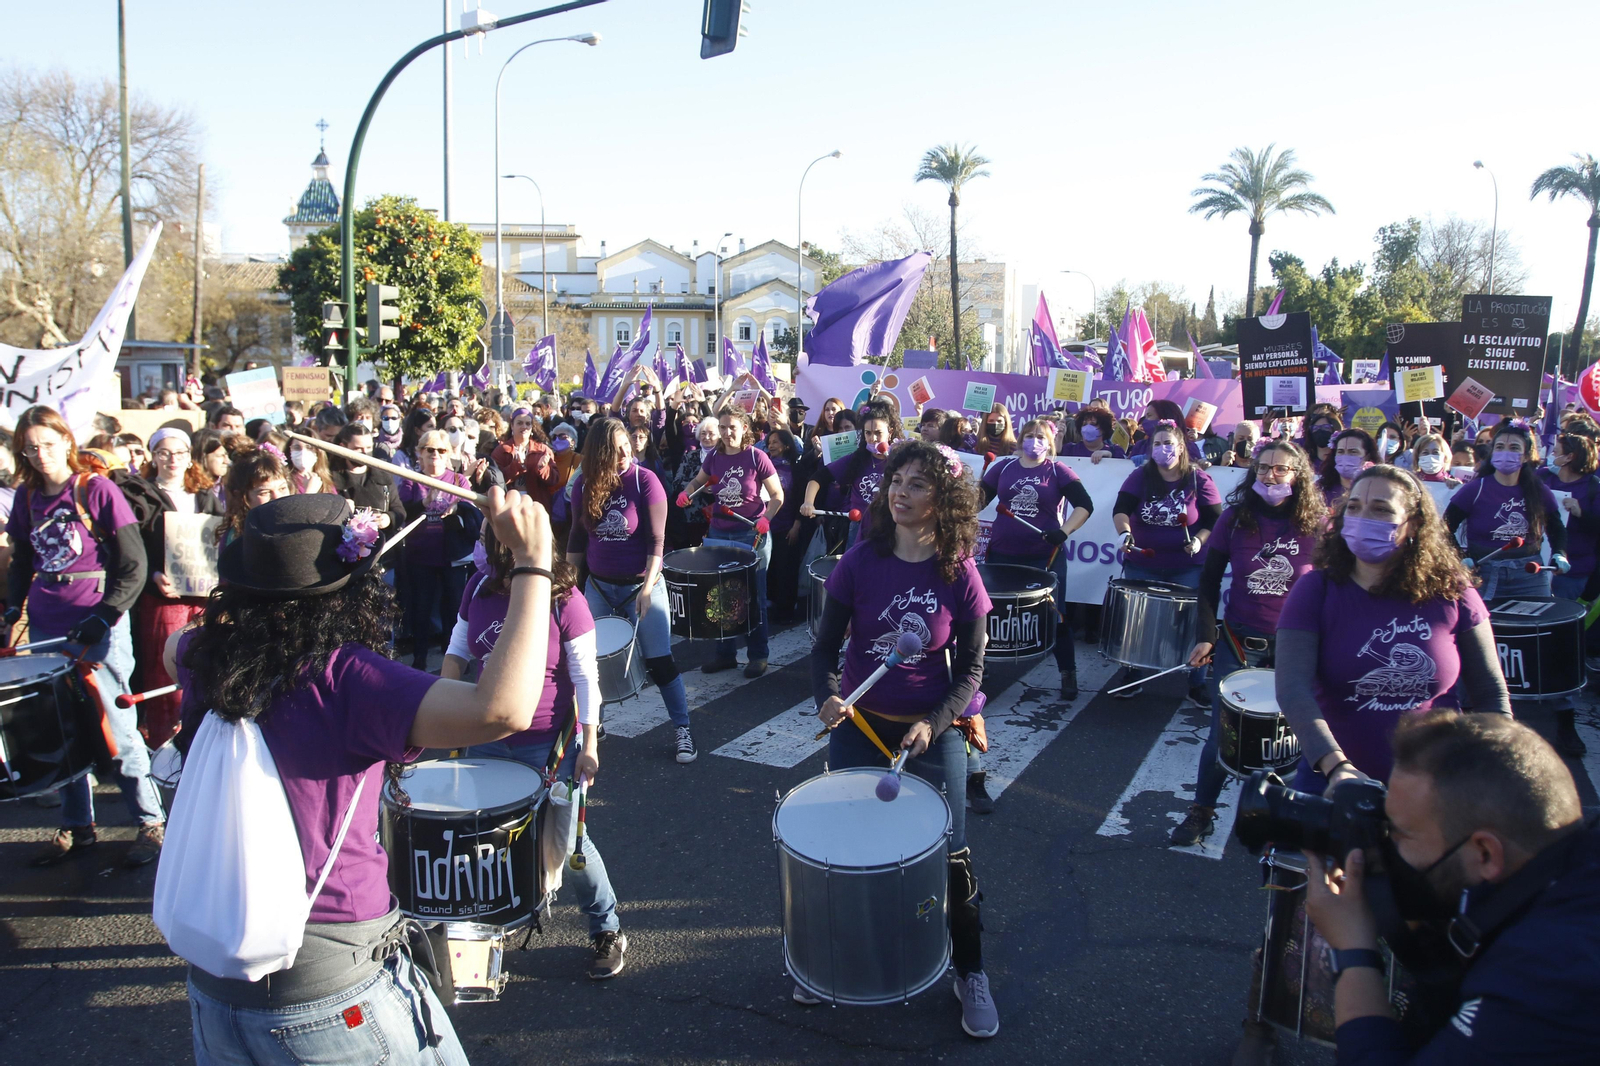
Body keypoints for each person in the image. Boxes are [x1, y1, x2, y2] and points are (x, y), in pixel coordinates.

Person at [174, 489, 554, 1066]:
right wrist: (534, 564)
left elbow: (178, 643)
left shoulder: (204, 659)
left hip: (214, 993)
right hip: (329, 998)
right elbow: (501, 710)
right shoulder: (343, 677)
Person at [808, 441, 999, 1038]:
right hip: (861, 729)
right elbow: (823, 647)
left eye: (918, 484)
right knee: (844, 851)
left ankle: (970, 971)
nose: (901, 492)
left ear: (944, 500)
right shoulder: (861, 559)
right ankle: (832, 962)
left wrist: (935, 722)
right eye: (897, 481)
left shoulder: (959, 568)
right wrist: (828, 696)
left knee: (953, 856)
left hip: (930, 731)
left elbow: (971, 667)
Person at [1303, 710, 1600, 1064]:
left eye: (1399, 833)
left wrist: (1353, 950)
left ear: (1486, 853)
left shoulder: (1542, 982)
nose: (1384, 846)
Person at [443, 528, 629, 979]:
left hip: (549, 743)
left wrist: (591, 744)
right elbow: (456, 654)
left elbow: (587, 679)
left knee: (566, 845)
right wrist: (445, 718)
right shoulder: (477, 588)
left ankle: (607, 927)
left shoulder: (564, 597)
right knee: (485, 841)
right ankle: (489, 933)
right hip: (488, 738)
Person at [1277, 465, 1511, 796]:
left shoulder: (1454, 593)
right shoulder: (1315, 590)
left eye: (1381, 509)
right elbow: (1293, 690)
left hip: (1437, 787)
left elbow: (1490, 693)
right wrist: (1337, 768)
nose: (1362, 518)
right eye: (1354, 507)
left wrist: (1502, 763)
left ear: (1413, 523)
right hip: (1336, 783)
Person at [5, 406, 163, 868]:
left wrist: (108, 613)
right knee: (60, 728)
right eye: (30, 447)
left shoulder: (97, 489)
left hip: (97, 625)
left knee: (116, 727)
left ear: (66, 443)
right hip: (49, 623)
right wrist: (14, 605)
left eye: (48, 444)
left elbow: (133, 563)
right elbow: (21, 560)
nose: (40, 455)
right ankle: (78, 826)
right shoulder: (26, 498)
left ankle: (151, 822)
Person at [1170, 440, 1325, 847]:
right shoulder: (1236, 518)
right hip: (1240, 641)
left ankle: (1286, 814)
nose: (1271, 475)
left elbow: (1336, 586)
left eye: (1281, 470)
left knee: (1298, 734)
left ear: (1298, 476)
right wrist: (1206, 634)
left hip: (1297, 647)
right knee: (1223, 734)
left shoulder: (1318, 522)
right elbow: (1207, 581)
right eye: (1264, 467)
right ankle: (1201, 811)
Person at [568, 417, 695, 762]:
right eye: (616, 450)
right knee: (588, 663)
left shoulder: (645, 480)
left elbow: (657, 542)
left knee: (659, 661)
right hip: (598, 586)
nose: (626, 453)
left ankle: (683, 729)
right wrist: (567, 585)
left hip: (643, 584)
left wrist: (647, 588)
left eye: (627, 447)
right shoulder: (583, 485)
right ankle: (594, 726)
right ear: (599, 454)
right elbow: (577, 539)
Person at [981, 418, 1093, 701]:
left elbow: (1085, 505)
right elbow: (977, 501)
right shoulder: (1003, 467)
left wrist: (1063, 531)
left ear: (1051, 442)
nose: (1034, 441)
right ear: (1019, 439)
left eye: (1041, 436)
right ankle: (977, 671)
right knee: (988, 615)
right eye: (1029, 435)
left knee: (1056, 616)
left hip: (1045, 557)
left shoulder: (1058, 470)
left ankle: (1067, 672)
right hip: (1002, 554)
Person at [1110, 419, 1223, 699]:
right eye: (1157, 444)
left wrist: (1198, 540)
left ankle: (1197, 681)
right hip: (1143, 562)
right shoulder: (1140, 476)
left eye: (1168, 443)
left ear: (1181, 448)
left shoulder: (1199, 479)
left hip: (1188, 567)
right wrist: (1125, 534)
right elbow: (1121, 509)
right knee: (1136, 622)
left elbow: (1214, 520)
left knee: (1194, 623)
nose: (1163, 449)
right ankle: (1134, 672)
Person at [133, 427, 223, 749]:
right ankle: (165, 744)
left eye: (180, 453)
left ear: (189, 458)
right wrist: (153, 575)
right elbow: (135, 548)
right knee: (164, 671)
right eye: (163, 453)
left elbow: (219, 539)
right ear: (153, 456)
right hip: (164, 599)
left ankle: (203, 742)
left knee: (205, 665)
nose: (172, 459)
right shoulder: (139, 495)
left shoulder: (206, 496)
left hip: (204, 597)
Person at [680, 410, 783, 678]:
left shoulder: (755, 456)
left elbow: (776, 495)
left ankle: (758, 655)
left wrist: (766, 518)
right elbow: (698, 481)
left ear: (744, 427)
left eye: (732, 427)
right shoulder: (714, 456)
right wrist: (686, 493)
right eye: (723, 428)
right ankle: (724, 655)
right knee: (719, 595)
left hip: (751, 535)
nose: (727, 433)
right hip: (718, 533)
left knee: (753, 596)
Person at [1444, 420, 1566, 601]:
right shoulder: (1474, 489)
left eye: (1514, 447)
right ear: (1492, 453)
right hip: (1482, 572)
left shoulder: (1538, 490)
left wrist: (1559, 554)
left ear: (1525, 456)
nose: (1506, 452)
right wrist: (1461, 557)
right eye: (1500, 447)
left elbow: (1556, 527)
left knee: (1534, 625)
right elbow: (1444, 528)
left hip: (1529, 573)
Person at [398, 431, 476, 671]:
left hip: (453, 555)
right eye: (429, 450)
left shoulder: (457, 481)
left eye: (441, 450)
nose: (435, 455)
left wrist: (455, 510)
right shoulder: (411, 479)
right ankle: (419, 657)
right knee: (421, 607)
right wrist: (424, 502)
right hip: (420, 555)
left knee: (453, 609)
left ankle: (452, 658)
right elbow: (400, 511)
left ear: (448, 455)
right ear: (420, 453)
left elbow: (471, 511)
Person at [800, 402, 899, 551]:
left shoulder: (900, 461)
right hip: (858, 529)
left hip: (891, 527)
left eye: (878, 433)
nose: (873, 438)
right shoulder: (856, 459)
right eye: (868, 433)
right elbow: (818, 478)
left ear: (890, 432)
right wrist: (808, 502)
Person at [327, 423, 406, 538]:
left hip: (382, 544)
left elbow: (399, 510)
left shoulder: (383, 475)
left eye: (369, 448)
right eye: (358, 449)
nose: (365, 453)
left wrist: (389, 518)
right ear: (343, 447)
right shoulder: (331, 478)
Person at [220, 446, 290, 548]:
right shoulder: (236, 541)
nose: (277, 497)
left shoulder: (297, 527)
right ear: (242, 497)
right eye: (264, 493)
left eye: (282, 488)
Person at [491, 407, 562, 508]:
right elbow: (495, 481)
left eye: (528, 424)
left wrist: (542, 468)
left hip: (536, 505)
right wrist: (516, 466)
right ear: (512, 426)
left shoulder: (543, 450)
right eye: (519, 423)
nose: (524, 427)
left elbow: (554, 480)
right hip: (508, 504)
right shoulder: (501, 451)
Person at [1320, 427, 1379, 509]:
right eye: (1341, 452)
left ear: (1367, 456)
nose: (1345, 456)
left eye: (1353, 452)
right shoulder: (1321, 488)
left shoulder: (1377, 489)